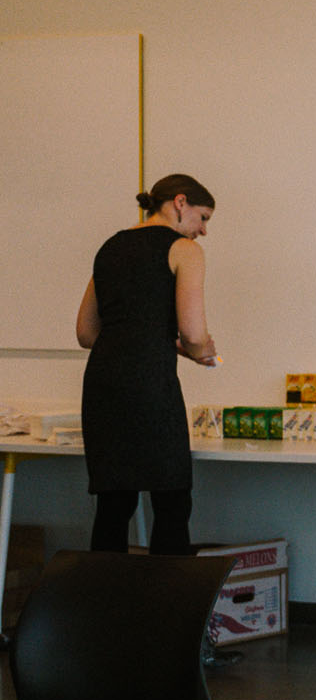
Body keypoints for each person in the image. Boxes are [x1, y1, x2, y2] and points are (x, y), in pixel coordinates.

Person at [76, 174, 219, 556]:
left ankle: (103, 608)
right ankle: (166, 612)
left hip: (103, 383)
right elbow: (192, 333)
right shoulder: (184, 250)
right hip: (150, 384)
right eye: (203, 218)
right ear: (180, 202)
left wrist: (149, 336)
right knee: (171, 501)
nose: (203, 231)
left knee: (113, 505)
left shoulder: (110, 247)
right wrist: (201, 348)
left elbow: (86, 333)